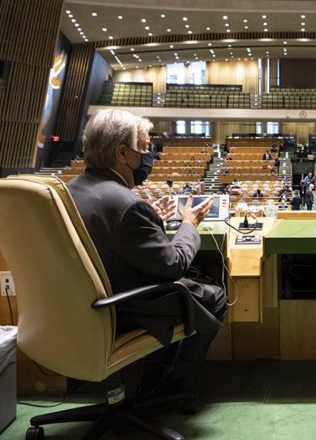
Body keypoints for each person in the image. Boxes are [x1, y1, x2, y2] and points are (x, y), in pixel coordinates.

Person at [67, 109, 227, 393]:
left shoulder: (69, 192)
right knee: (215, 295)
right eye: (144, 148)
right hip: (129, 305)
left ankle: (148, 375)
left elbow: (107, 234)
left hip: (82, 304)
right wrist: (188, 225)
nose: (149, 155)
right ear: (122, 154)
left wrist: (151, 220)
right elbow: (173, 265)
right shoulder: (126, 203)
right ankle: (168, 383)